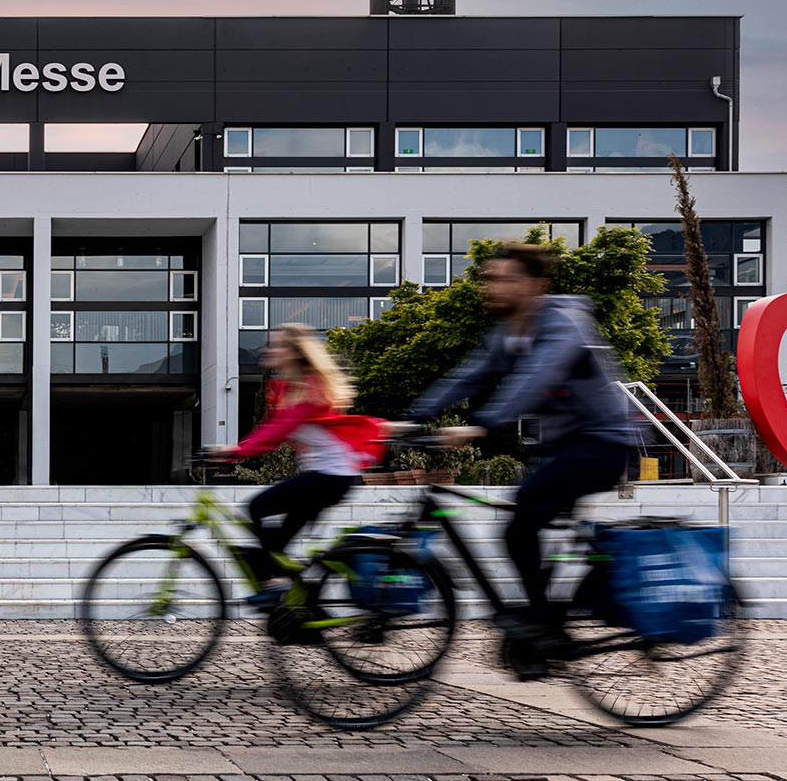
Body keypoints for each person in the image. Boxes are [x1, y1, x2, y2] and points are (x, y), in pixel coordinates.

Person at [406, 243, 637, 637]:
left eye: (505, 279)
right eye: (490, 279)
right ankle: (544, 620)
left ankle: (541, 622)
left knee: (520, 521)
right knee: (526, 521)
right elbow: (469, 375)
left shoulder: (565, 323)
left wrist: (482, 425)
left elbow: (535, 379)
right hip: (563, 446)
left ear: (536, 285)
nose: (492, 287)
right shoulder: (507, 333)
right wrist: (413, 418)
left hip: (602, 443)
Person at [209, 324, 385, 609]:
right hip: (326, 477)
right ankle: (302, 605)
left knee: (257, 509)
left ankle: (275, 583)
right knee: (277, 546)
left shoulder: (310, 388)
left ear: (294, 352)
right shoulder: (291, 389)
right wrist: (238, 450)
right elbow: (270, 428)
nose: (268, 350)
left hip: (330, 477)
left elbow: (277, 432)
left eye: (276, 345)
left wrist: (234, 452)